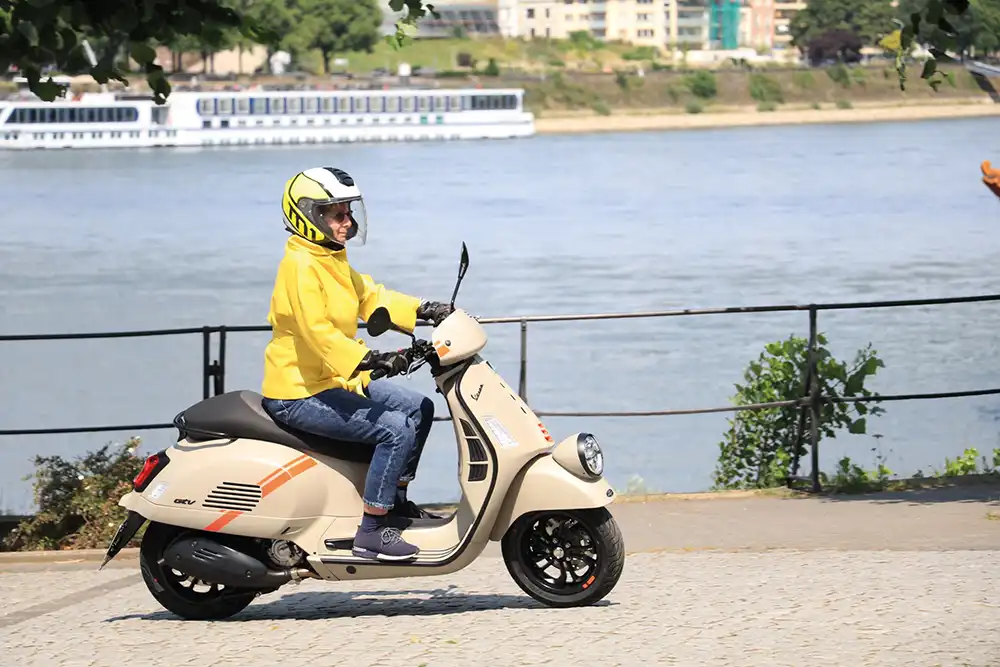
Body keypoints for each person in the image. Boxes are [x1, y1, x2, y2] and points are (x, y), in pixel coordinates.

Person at [260, 166, 453, 562]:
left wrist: (425, 309)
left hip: (334, 380)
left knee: (418, 408)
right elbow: (317, 332)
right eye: (338, 214)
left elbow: (371, 296)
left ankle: (395, 502)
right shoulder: (299, 266)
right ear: (310, 215)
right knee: (394, 428)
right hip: (299, 392)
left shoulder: (329, 257)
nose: (347, 222)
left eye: (349, 212)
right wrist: (371, 358)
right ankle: (372, 528)